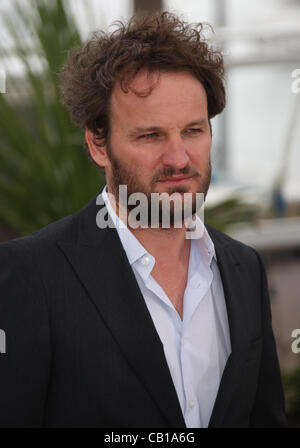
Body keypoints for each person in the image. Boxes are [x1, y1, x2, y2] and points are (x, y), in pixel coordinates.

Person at [0, 11, 287, 428]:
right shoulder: (31, 275)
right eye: (150, 135)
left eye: (193, 130)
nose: (178, 158)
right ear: (99, 145)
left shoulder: (243, 268)